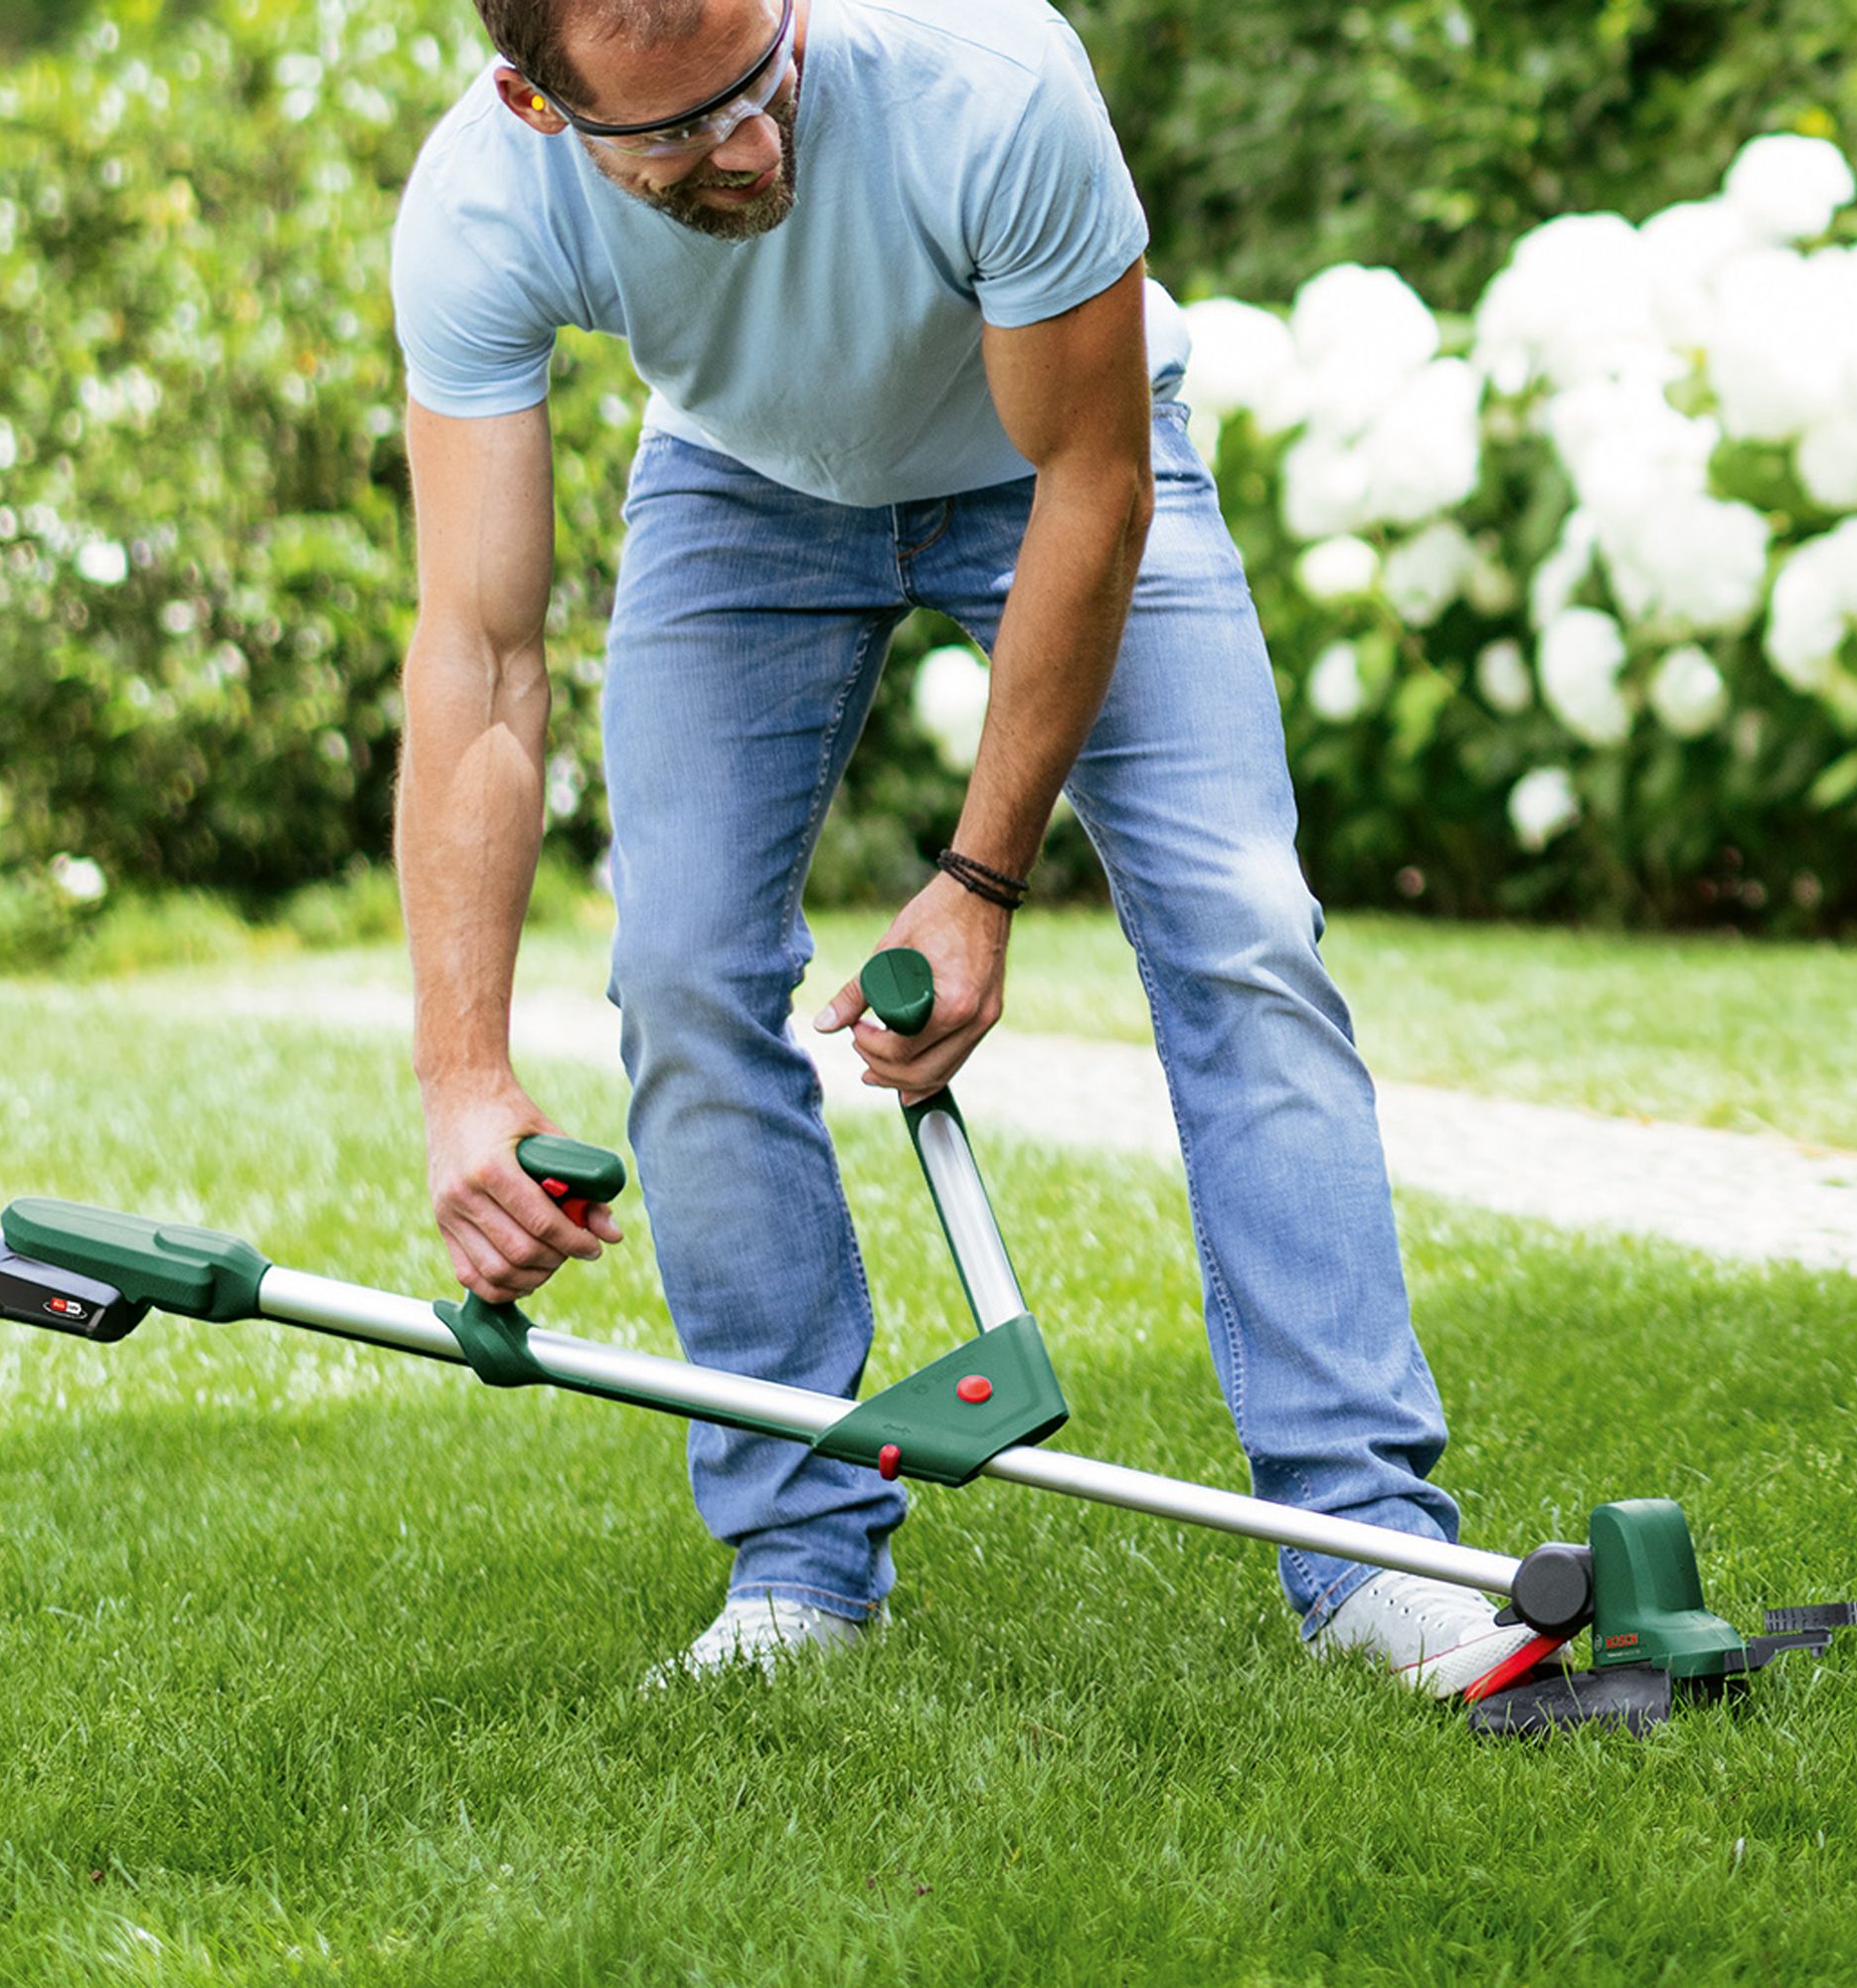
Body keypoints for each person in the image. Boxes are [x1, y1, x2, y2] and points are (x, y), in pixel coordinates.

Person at [390, 0, 1544, 1697]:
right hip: (740, 484)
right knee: (684, 972)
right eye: (684, 133)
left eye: (764, 79)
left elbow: (1094, 483)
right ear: (537, 107)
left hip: (1051, 465)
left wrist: (983, 877)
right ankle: (797, 1569)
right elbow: (479, 658)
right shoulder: (480, 207)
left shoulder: (989, 77)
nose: (756, 145)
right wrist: (462, 1074)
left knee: (1242, 929)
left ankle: (1375, 1546)